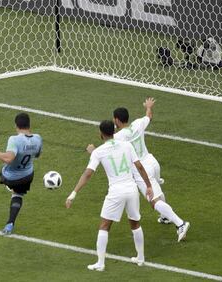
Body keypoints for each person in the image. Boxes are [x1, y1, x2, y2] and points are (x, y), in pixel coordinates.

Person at [66, 120, 153, 272]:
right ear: (113, 131)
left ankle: (100, 263)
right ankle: (140, 258)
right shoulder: (127, 145)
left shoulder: (99, 152)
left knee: (105, 225)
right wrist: (149, 186)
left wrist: (73, 194)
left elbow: (88, 174)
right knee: (135, 223)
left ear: (101, 133)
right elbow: (139, 166)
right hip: (132, 189)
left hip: (116, 192)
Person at [110, 98, 189, 242]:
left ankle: (181, 224)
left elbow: (107, 146)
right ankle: (165, 217)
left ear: (117, 120)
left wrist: (92, 151)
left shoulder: (118, 136)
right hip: (152, 162)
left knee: (154, 201)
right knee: (157, 190)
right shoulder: (138, 123)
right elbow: (149, 116)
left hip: (142, 170)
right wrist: (148, 106)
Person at [0, 113, 42, 235]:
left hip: (10, 177)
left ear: (16, 125)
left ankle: (8, 186)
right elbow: (37, 154)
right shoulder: (38, 138)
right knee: (18, 195)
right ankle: (10, 223)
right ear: (29, 125)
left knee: (4, 171)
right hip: (27, 176)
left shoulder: (14, 139)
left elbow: (8, 159)